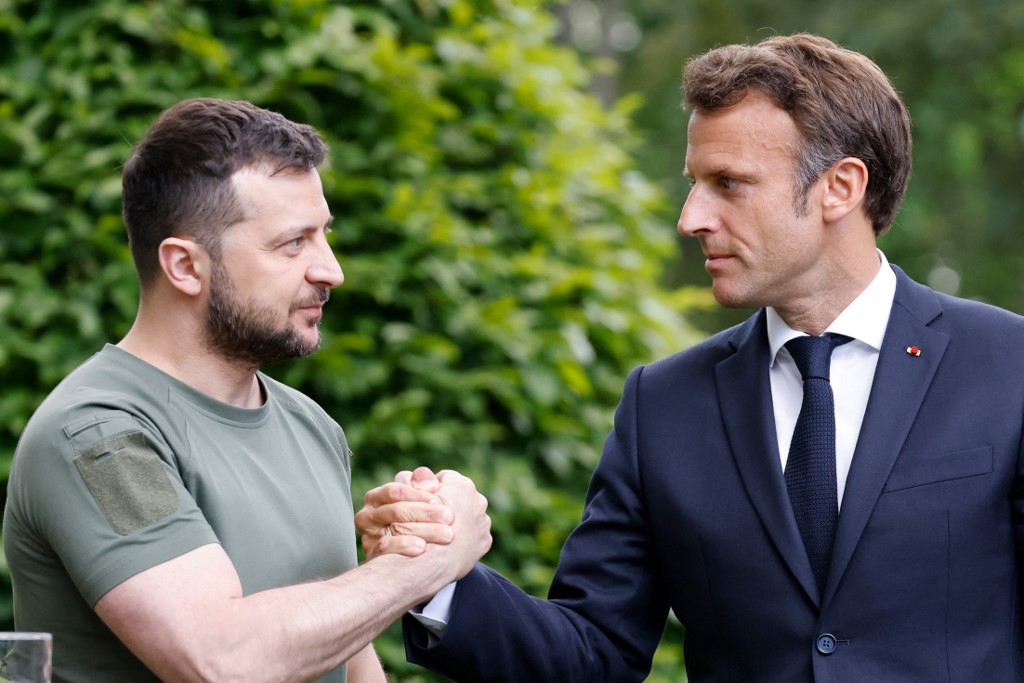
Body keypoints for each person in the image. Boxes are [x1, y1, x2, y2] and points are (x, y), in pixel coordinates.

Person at [356, 33, 1024, 681]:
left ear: (840, 188)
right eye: (694, 182)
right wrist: (436, 578)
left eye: (729, 184)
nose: (691, 217)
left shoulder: (1008, 365)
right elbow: (592, 651)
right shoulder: (663, 404)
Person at [2, 98, 492, 683]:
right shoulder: (99, 436)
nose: (330, 270)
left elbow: (349, 660)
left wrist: (405, 545)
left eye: (324, 235)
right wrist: (425, 564)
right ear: (185, 266)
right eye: (293, 243)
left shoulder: (310, 425)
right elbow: (221, 662)